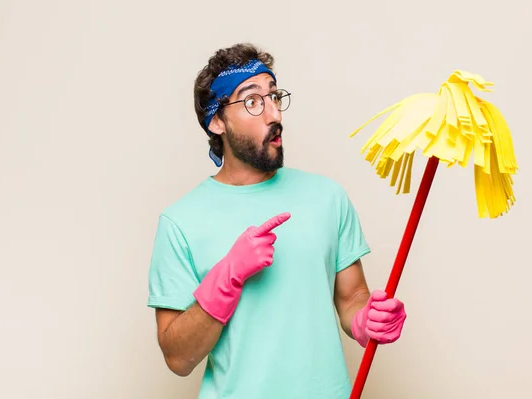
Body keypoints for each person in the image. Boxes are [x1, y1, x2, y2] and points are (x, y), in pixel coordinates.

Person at [147, 42, 407, 398]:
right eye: (253, 102)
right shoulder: (180, 222)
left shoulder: (326, 197)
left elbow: (351, 298)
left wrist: (366, 319)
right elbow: (178, 358)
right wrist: (226, 277)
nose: (274, 114)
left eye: (275, 97)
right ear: (217, 120)